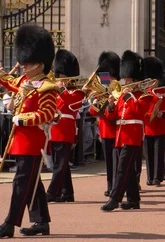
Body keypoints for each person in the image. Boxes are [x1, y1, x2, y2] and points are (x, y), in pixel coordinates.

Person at [0, 24, 58, 238]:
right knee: (33, 182)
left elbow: (48, 113)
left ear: (39, 64)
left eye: (28, 62)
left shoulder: (47, 86)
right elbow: (10, 82)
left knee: (20, 183)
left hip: (32, 142)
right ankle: (41, 222)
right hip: (20, 141)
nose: (23, 66)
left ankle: (9, 223)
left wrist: (23, 119)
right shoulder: (26, 81)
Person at [101, 50, 152, 211]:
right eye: (125, 79)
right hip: (120, 135)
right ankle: (133, 200)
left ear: (136, 80)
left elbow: (139, 111)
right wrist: (110, 105)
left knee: (122, 168)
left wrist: (130, 96)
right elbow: (113, 115)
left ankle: (114, 199)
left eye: (128, 79)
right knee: (128, 169)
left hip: (132, 136)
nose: (126, 82)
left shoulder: (143, 96)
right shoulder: (122, 96)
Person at [46, 49, 86, 203]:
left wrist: (61, 89)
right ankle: (67, 192)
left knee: (60, 164)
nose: (61, 79)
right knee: (61, 164)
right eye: (60, 75)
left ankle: (52, 192)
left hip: (66, 129)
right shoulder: (56, 91)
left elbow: (69, 106)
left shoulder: (77, 93)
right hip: (55, 129)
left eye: (63, 76)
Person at [89, 51, 120, 197]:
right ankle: (110, 185)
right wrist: (95, 103)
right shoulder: (100, 89)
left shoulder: (118, 87)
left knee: (118, 159)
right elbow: (92, 112)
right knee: (109, 160)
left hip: (118, 128)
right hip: (105, 128)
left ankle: (118, 185)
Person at [142, 57, 165, 187]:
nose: (153, 82)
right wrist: (151, 114)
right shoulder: (144, 93)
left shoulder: (163, 92)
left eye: (155, 80)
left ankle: (158, 177)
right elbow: (141, 110)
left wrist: (162, 114)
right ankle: (150, 176)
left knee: (158, 154)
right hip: (148, 127)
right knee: (149, 154)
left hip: (160, 127)